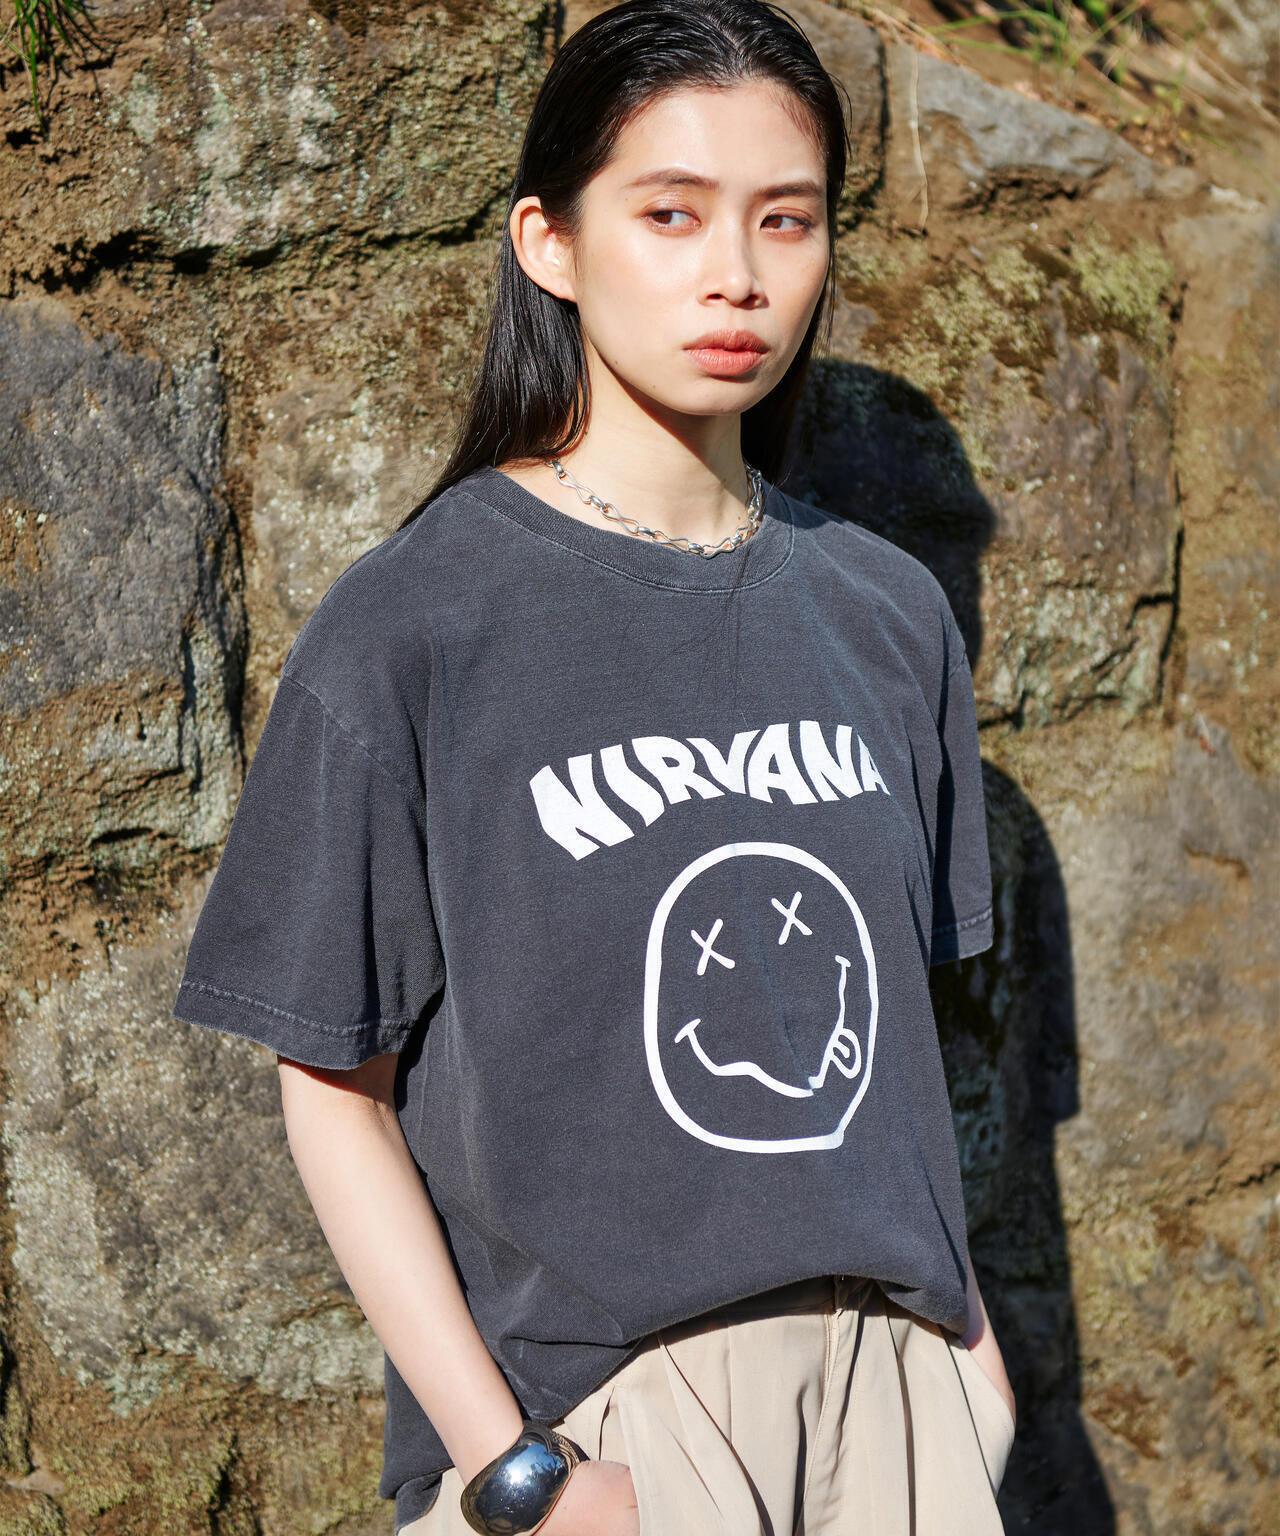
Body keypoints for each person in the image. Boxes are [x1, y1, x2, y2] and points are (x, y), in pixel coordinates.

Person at [172, 1, 1018, 1532]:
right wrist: (518, 1472)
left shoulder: (888, 614)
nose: (737, 274)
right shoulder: (419, 626)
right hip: (612, 1425)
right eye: (671, 213)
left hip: (902, 1407)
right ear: (549, 243)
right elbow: (332, 1089)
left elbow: (907, 1047)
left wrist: (974, 1373)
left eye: (786, 219)